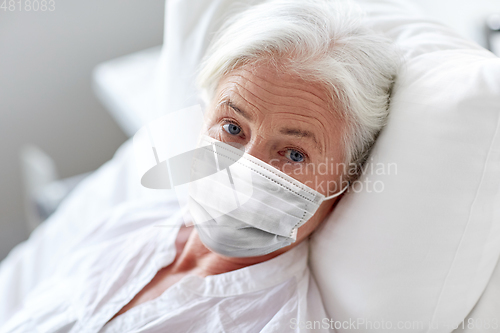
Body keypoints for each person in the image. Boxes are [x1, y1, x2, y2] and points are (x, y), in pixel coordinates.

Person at [0, 0, 399, 332]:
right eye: (232, 127)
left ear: (345, 180)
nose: (244, 170)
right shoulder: (128, 223)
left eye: (293, 154)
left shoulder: (270, 324)